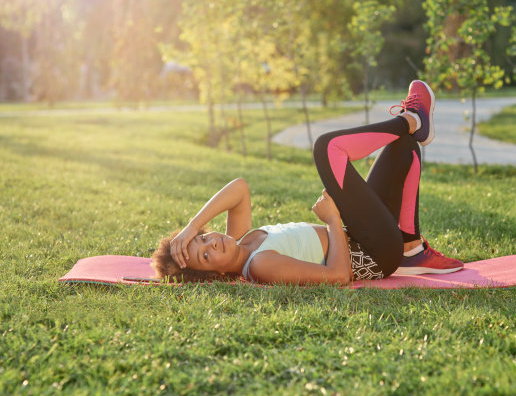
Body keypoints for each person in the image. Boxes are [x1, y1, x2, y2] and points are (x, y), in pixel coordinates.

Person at [151, 80, 463, 284]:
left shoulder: (242, 239)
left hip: (362, 235)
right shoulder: (259, 265)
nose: (212, 243)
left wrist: (191, 228)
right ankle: (413, 119)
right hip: (373, 254)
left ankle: (411, 247)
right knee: (328, 149)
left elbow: (240, 188)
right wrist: (332, 219)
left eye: (205, 239)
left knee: (404, 148)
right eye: (206, 256)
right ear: (216, 274)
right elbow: (339, 276)